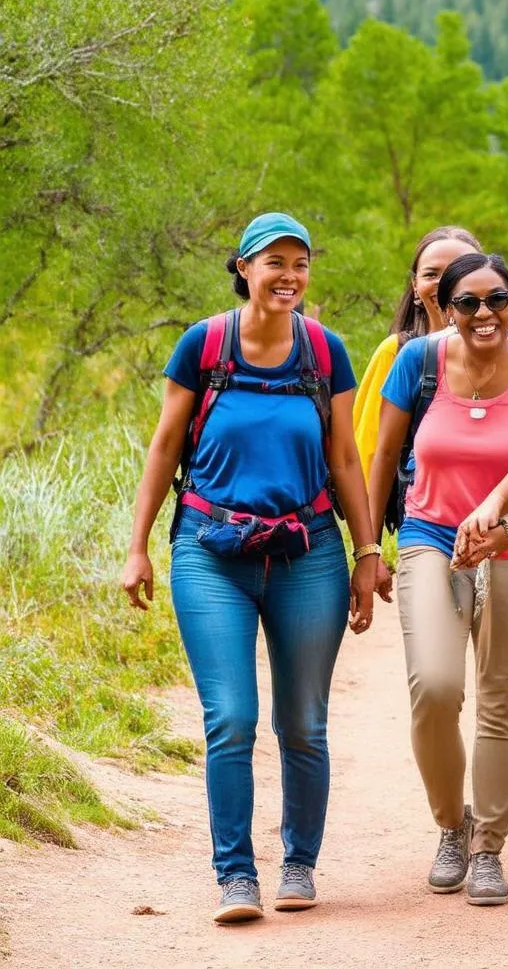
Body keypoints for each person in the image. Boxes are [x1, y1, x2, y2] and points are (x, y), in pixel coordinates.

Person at [121, 213, 384, 924]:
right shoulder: (204, 345)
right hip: (210, 551)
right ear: (243, 267)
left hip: (309, 555)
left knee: (303, 723)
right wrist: (138, 545)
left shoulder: (325, 353)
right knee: (231, 718)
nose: (289, 276)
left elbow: (346, 460)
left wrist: (366, 554)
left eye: (300, 263)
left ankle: (299, 863)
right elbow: (164, 445)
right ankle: (235, 875)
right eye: (274, 262)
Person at [368, 252, 508, 906]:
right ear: (447, 308)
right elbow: (380, 455)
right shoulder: (418, 363)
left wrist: (498, 513)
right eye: (469, 303)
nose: (485, 315)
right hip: (431, 540)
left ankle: (488, 850)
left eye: (498, 300)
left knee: (506, 705)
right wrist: (368, 545)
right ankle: (452, 826)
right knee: (435, 685)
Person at [353, 227, 482, 485]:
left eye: (460, 271)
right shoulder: (396, 352)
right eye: (432, 274)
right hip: (420, 519)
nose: (445, 284)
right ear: (415, 286)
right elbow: (367, 453)